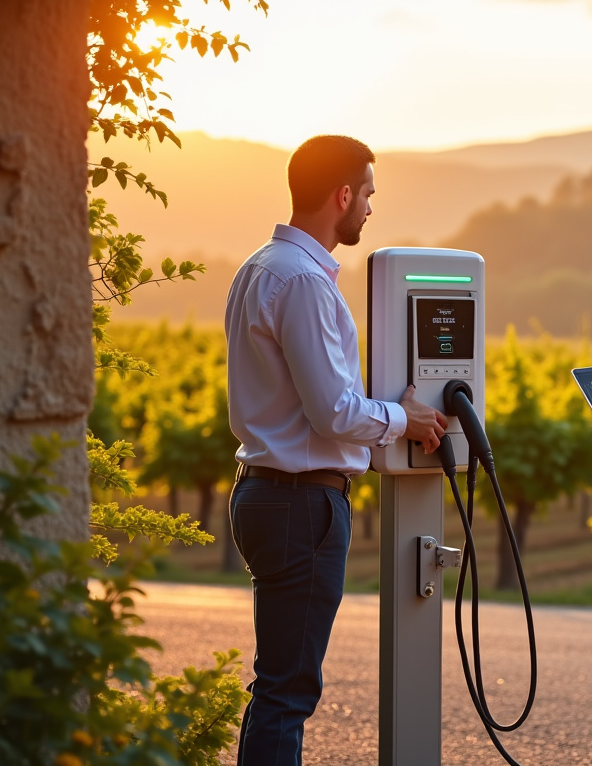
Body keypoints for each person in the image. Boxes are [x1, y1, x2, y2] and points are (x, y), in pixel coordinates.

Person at [223, 134, 447, 766]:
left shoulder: (260, 267)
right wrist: (405, 418)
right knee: (288, 691)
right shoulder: (304, 283)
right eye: (368, 193)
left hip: (266, 492)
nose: (371, 208)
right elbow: (335, 411)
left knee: (278, 684)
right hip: (303, 504)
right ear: (342, 195)